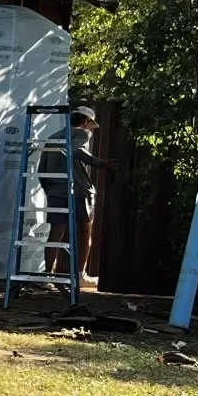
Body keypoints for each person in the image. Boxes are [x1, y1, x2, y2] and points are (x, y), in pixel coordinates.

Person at [42, 105, 116, 288]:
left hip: (55, 190)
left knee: (56, 232)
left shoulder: (52, 138)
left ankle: (47, 277)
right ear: (86, 121)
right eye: (90, 124)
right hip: (78, 190)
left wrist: (50, 190)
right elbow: (74, 151)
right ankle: (79, 275)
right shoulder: (83, 133)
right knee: (84, 231)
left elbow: (41, 170)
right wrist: (101, 163)